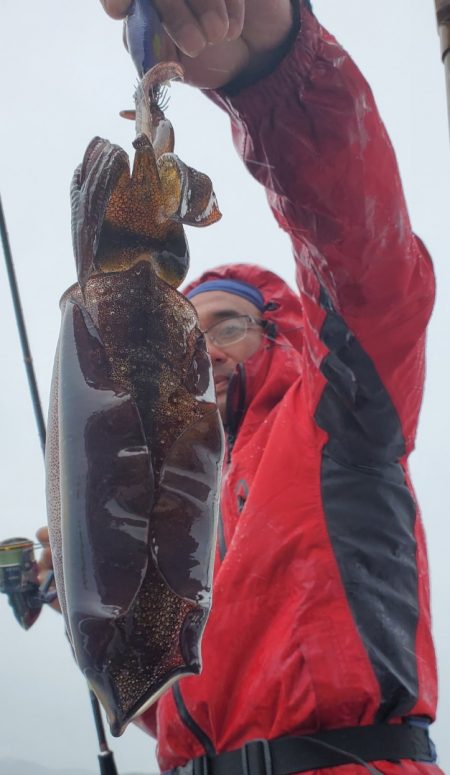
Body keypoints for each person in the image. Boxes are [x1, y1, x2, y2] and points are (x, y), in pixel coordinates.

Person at [40, 1, 443, 773]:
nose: (207, 349)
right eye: (190, 333)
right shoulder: (185, 494)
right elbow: (176, 701)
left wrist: (273, 76)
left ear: (277, 334)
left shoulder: (340, 418)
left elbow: (369, 269)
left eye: (226, 325)